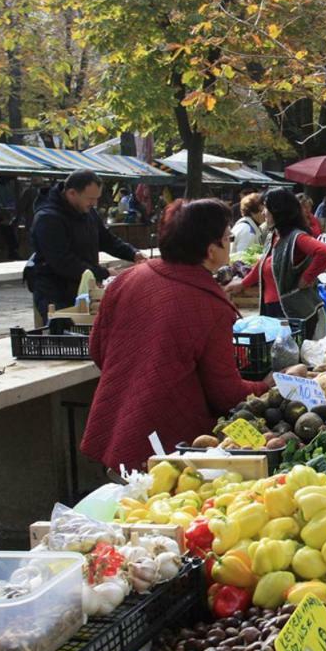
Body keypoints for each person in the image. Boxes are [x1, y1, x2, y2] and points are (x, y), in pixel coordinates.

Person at [81, 199, 270, 472]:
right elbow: (226, 394)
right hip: (166, 449)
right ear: (210, 250)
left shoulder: (127, 279)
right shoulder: (209, 305)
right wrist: (267, 384)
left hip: (116, 426)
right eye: (227, 237)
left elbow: (98, 351)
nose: (230, 243)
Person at [27, 169, 145, 321]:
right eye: (90, 198)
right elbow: (63, 261)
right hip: (56, 291)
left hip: (83, 288)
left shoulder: (87, 211)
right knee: (64, 340)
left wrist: (133, 253)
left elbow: (106, 239)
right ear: (72, 193)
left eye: (96, 198)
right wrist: (104, 273)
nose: (94, 203)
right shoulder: (48, 218)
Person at [227, 188, 326, 337]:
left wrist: (307, 278)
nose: (263, 213)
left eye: (266, 207)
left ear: (278, 211)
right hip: (273, 311)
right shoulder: (274, 236)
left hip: (294, 314)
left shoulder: (296, 237)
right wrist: (243, 283)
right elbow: (263, 263)